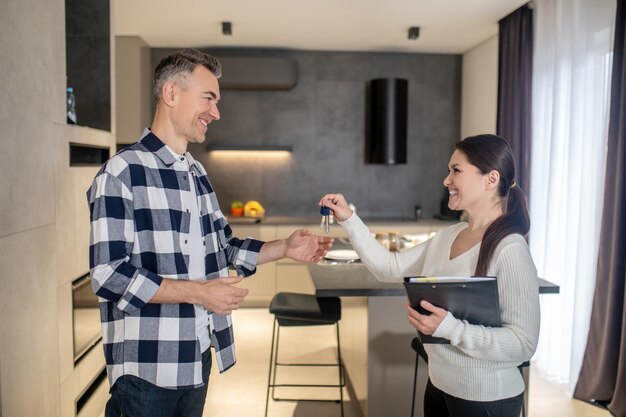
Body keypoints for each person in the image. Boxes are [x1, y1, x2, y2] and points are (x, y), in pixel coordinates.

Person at [87, 49, 333, 417]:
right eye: (208, 98)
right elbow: (108, 275)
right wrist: (200, 294)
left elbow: (225, 247)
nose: (216, 113)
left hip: (197, 357)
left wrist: (284, 247)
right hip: (147, 370)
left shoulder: (196, 173)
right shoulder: (121, 172)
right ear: (171, 94)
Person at [320, 134, 540, 417]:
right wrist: (349, 219)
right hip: (438, 386)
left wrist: (449, 328)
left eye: (456, 171)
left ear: (491, 179)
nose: (446, 180)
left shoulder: (510, 249)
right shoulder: (448, 236)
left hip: (486, 399)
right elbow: (389, 268)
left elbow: (524, 344)